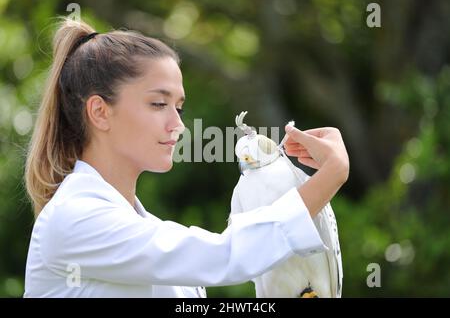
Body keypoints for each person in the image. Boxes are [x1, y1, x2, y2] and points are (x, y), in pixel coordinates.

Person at [23, 18, 349, 298]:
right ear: (99, 112)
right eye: (158, 104)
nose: (177, 125)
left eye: (178, 107)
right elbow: (224, 256)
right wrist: (331, 173)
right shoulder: (75, 218)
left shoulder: (140, 225)